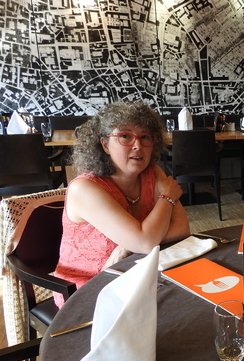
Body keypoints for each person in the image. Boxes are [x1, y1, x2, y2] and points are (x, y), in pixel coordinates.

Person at [53, 101, 190, 306]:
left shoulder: (153, 173)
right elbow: (145, 243)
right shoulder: (84, 189)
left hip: (136, 274)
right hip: (88, 290)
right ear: (105, 144)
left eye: (145, 137)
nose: (138, 145)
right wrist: (168, 197)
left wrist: (130, 245)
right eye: (125, 136)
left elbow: (182, 229)